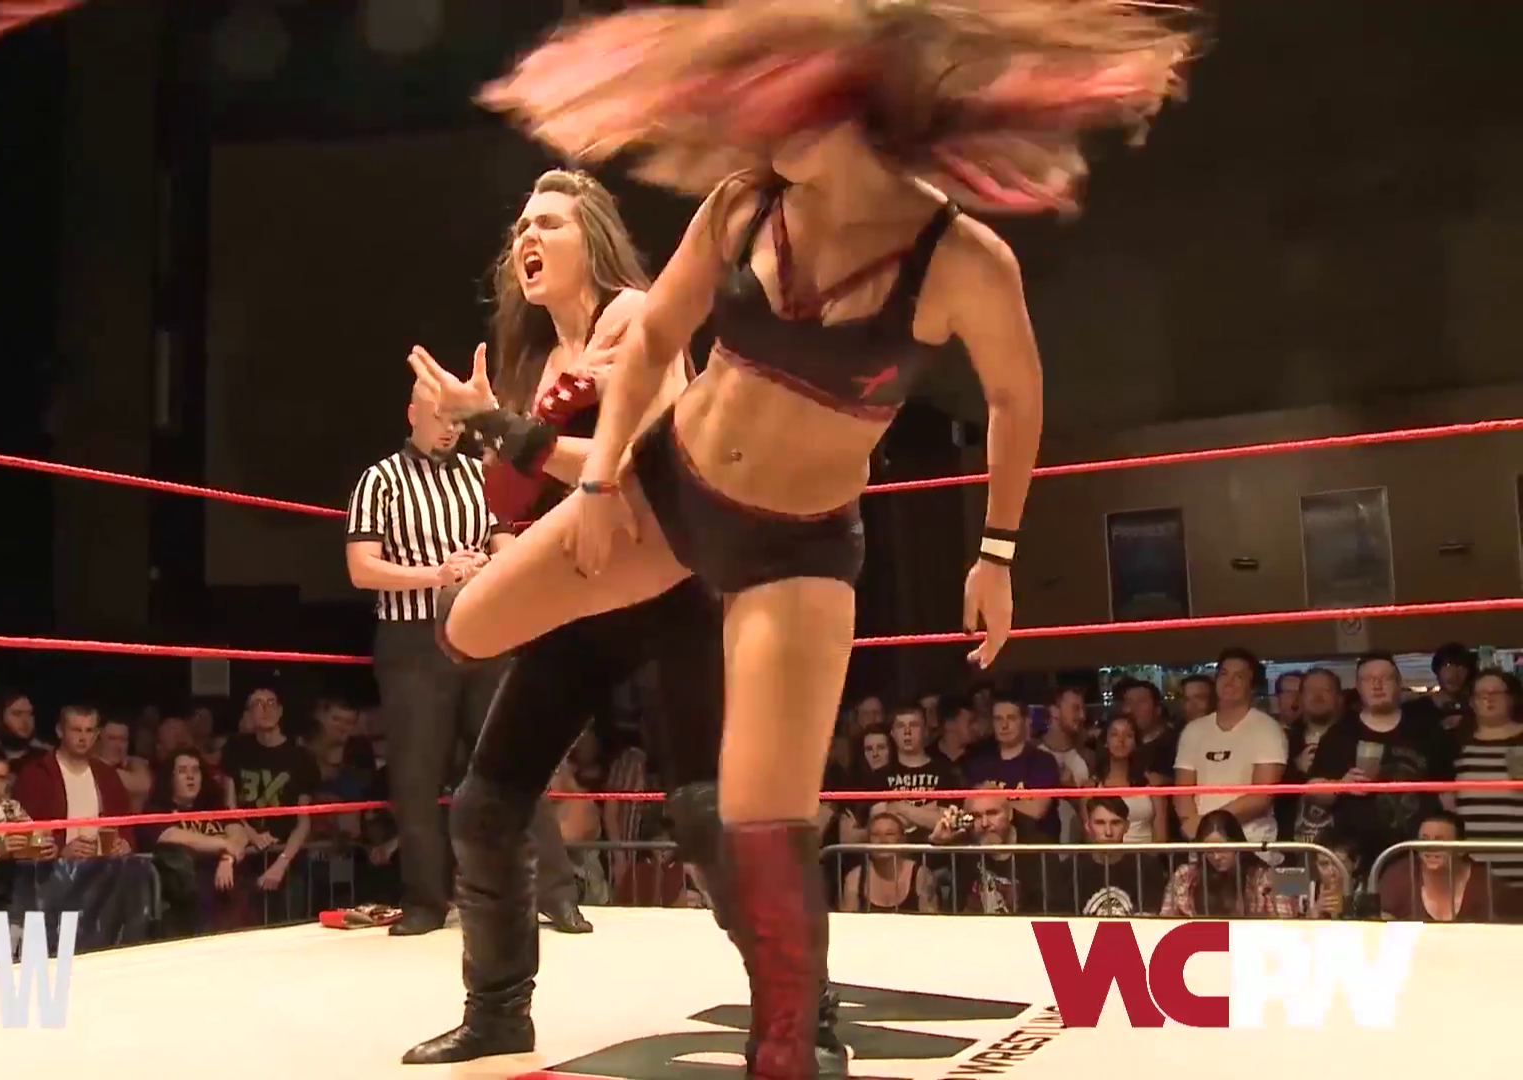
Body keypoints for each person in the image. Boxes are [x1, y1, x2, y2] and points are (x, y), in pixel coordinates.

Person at [429, 3, 1196, 1074]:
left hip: (793, 551)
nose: (755, 126)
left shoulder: (960, 260)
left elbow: (1017, 400)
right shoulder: (745, 206)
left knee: (757, 816)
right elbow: (654, 336)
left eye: (782, 103)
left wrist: (998, 552)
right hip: (669, 490)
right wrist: (598, 480)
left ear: (858, 110)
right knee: (464, 627)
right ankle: (507, 999)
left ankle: (791, 1041)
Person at [403, 169, 846, 1072]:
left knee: (709, 816)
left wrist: (501, 426)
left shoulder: (638, 318)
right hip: (581, 602)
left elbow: (647, 466)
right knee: (484, 809)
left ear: (591, 240)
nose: (528, 239)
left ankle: (807, 1018)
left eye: (549, 223)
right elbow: (529, 496)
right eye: (520, 228)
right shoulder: (535, 363)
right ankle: (498, 1013)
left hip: (669, 587)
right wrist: (493, 479)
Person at [344, 380, 581, 937]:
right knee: (417, 774)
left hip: (482, 631)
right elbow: (361, 567)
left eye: (456, 419)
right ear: (413, 414)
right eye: (439, 417)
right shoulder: (380, 480)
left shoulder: (481, 475)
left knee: (516, 760)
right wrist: (437, 574)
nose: (450, 428)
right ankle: (426, 902)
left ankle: (558, 894)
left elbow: (506, 545)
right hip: (413, 642)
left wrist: (493, 568)